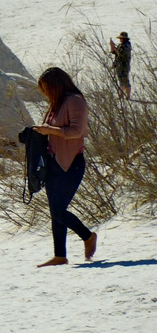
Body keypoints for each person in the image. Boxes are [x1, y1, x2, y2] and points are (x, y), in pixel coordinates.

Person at [32, 67, 97, 267]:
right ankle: (60, 255)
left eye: (47, 88)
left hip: (71, 163)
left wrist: (48, 130)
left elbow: (77, 131)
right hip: (54, 162)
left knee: (59, 210)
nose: (46, 94)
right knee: (54, 211)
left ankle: (88, 236)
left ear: (56, 85)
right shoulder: (56, 104)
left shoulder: (75, 100)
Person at [109, 31, 132, 99]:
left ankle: (128, 96)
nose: (120, 39)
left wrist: (115, 48)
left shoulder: (127, 46)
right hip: (119, 66)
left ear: (125, 39)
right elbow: (114, 52)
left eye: (121, 38)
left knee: (125, 80)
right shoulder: (121, 45)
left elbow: (120, 53)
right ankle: (121, 95)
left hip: (124, 66)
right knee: (120, 81)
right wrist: (112, 46)